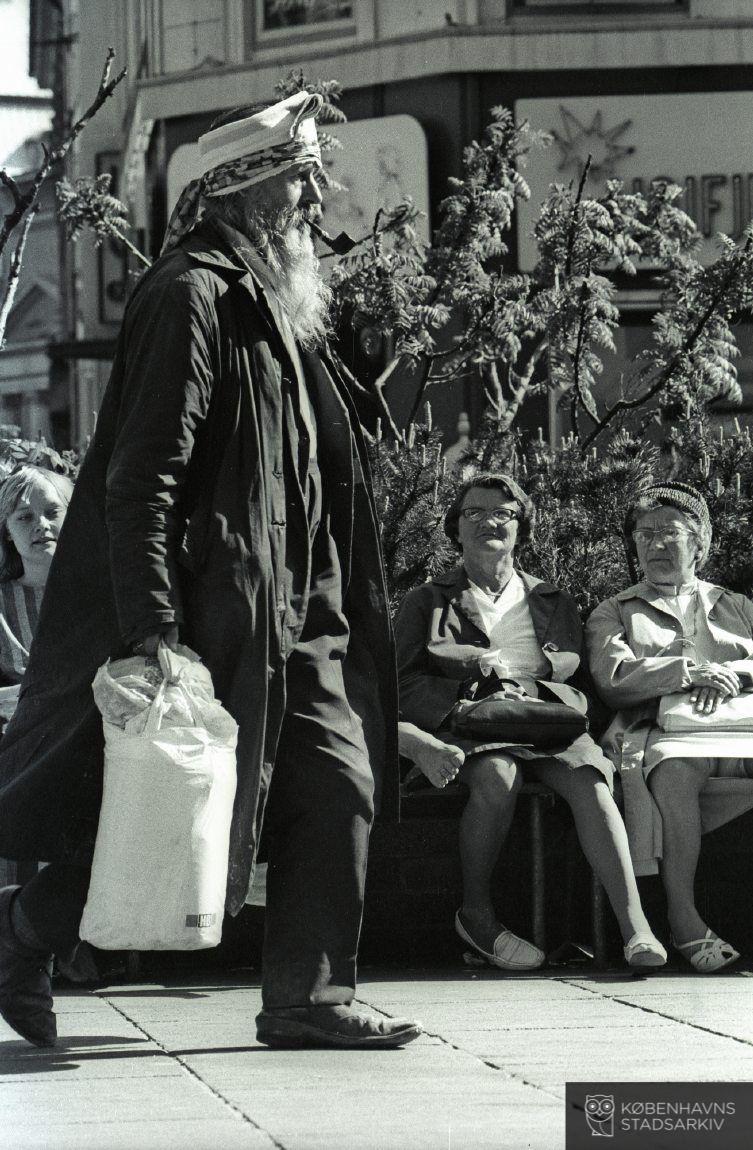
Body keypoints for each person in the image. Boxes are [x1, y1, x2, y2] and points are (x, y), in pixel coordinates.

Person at [0, 92, 421, 1049]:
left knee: (334, 785)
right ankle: (24, 928)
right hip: (216, 608)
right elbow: (140, 479)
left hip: (301, 609)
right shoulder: (190, 294)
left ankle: (307, 998)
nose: (318, 198)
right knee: (172, 803)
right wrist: (156, 628)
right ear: (249, 192)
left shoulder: (273, 301)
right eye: (302, 180)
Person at [395, 472, 666, 972]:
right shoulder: (427, 600)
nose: (489, 522)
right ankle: (475, 915)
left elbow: (580, 675)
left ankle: (636, 928)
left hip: (544, 717)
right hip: (473, 721)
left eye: (503, 513)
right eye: (473, 513)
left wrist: (543, 695)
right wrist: (456, 699)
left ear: (522, 528)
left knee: (590, 780)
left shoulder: (552, 600)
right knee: (499, 777)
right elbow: (402, 680)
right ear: (455, 529)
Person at [586, 481, 753, 973]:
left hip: (741, 726)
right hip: (663, 733)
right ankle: (682, 919)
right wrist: (688, 672)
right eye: (645, 534)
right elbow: (613, 679)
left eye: (670, 532)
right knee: (678, 768)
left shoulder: (738, 605)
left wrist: (733, 675)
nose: (656, 544)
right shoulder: (615, 610)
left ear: (699, 542)